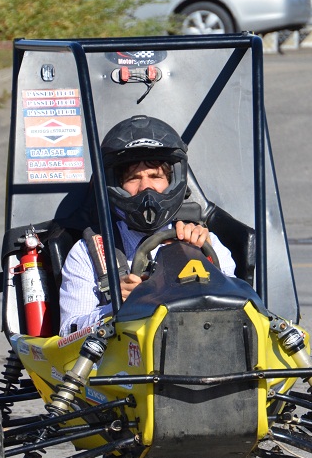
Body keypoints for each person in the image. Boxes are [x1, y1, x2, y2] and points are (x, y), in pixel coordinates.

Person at [59, 115, 236, 336]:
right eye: (133, 178)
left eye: (155, 176)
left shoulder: (205, 242)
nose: (146, 188)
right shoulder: (88, 253)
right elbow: (68, 331)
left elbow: (241, 312)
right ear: (116, 185)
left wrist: (209, 266)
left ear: (172, 182)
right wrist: (115, 307)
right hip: (123, 365)